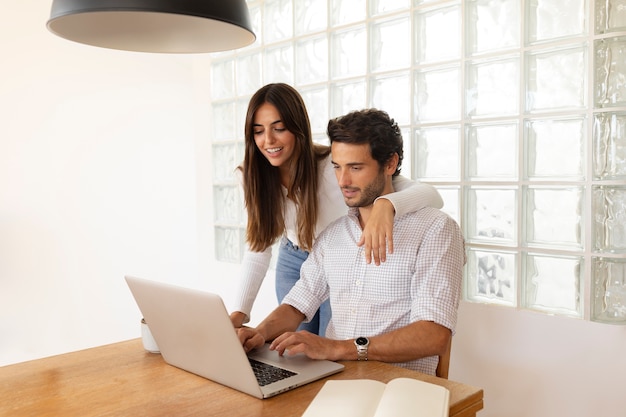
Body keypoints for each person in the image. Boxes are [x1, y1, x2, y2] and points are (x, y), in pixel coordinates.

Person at [237, 108, 465, 375]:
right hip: (333, 381)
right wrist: (258, 333)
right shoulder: (333, 236)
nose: (343, 181)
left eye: (356, 168)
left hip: (398, 387)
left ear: (390, 164)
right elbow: (298, 303)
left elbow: (434, 336)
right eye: (337, 167)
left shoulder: (435, 230)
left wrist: (338, 348)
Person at [229, 83, 444, 336]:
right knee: (293, 346)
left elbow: (432, 196)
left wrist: (386, 206)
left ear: (298, 128)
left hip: (339, 257)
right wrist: (238, 314)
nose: (268, 141)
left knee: (333, 343)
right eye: (258, 131)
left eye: (279, 128)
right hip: (293, 256)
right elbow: (257, 249)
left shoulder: (333, 167)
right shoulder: (250, 176)